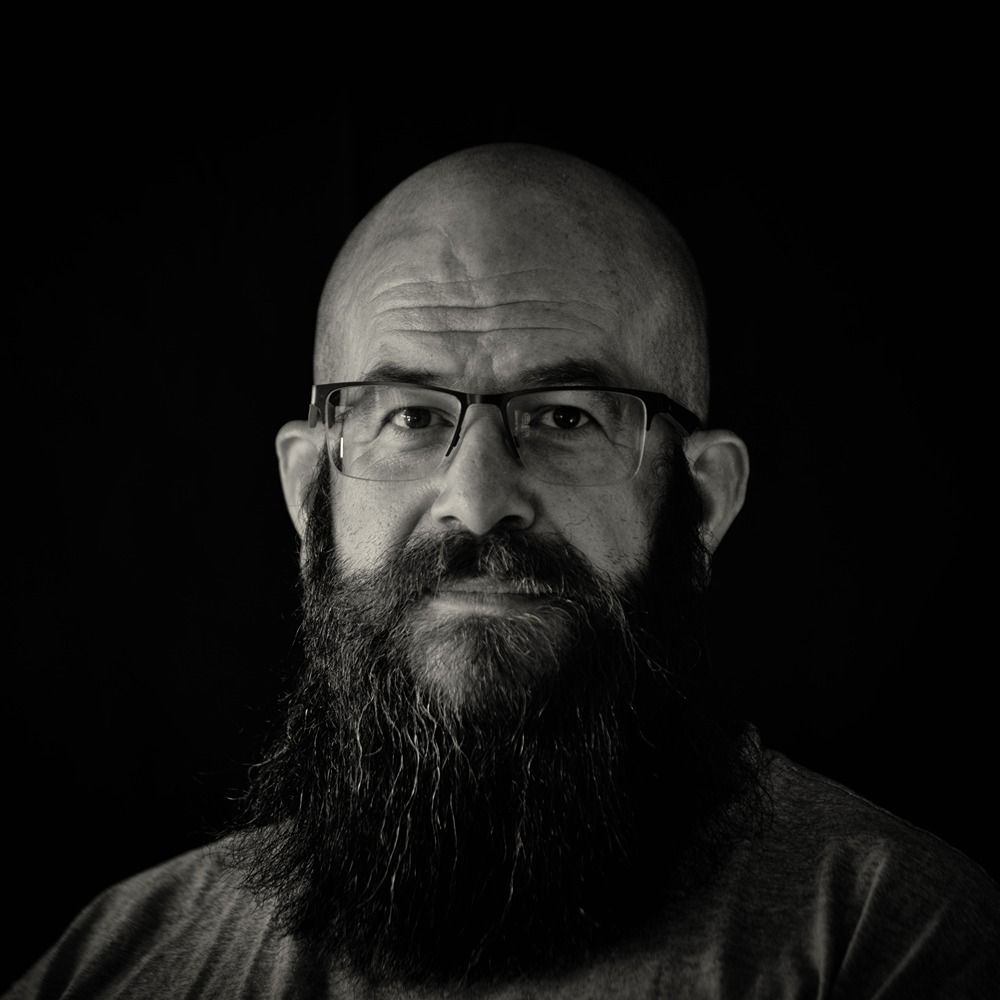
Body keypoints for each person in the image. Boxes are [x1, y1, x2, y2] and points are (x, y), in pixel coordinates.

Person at [7, 143, 998, 998]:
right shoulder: (125, 955)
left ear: (701, 499)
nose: (477, 500)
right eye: (411, 416)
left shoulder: (885, 936)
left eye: (564, 415)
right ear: (309, 488)